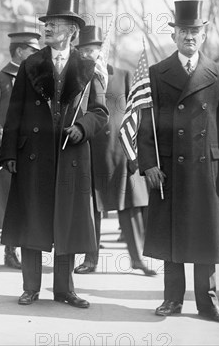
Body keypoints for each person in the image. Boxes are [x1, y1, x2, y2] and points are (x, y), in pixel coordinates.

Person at [0, 0, 108, 308]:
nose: (48, 27)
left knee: (68, 222)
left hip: (71, 156)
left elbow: (101, 113)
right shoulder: (30, 64)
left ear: (72, 29)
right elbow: (14, 113)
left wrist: (82, 128)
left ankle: (64, 289)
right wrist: (8, 152)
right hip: (33, 154)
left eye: (55, 23)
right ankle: (31, 287)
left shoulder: (88, 67)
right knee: (32, 219)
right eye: (46, 23)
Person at [138, 0, 219, 323]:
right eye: (183, 31)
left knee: (205, 235)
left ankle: (207, 303)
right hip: (169, 168)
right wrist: (148, 162)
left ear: (203, 35)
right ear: (174, 35)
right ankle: (172, 299)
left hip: (207, 168)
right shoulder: (157, 72)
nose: (189, 37)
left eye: (195, 31)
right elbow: (145, 121)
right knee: (172, 236)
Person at [74, 25, 156, 277]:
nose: (91, 55)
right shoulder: (76, 79)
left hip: (123, 152)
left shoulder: (122, 75)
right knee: (92, 208)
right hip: (90, 151)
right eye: (85, 51)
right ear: (79, 53)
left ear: (104, 51)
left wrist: (139, 153)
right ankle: (91, 259)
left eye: (95, 50)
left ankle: (138, 258)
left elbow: (138, 113)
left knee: (130, 207)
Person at [0, 31, 41, 272]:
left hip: (25, 151)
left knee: (18, 205)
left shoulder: (34, 80)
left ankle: (10, 253)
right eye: (33, 51)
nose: (37, 55)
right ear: (20, 51)